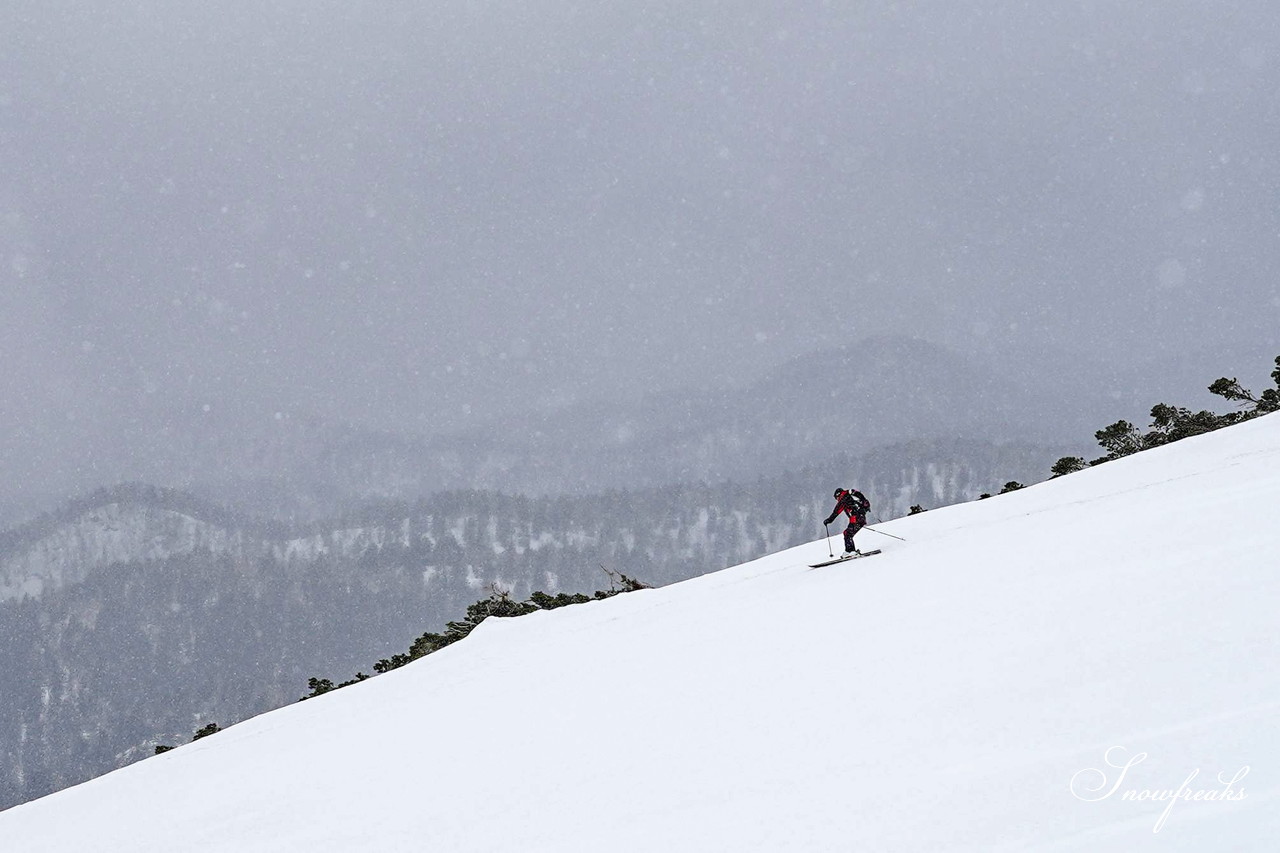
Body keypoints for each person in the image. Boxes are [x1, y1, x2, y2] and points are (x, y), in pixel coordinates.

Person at [824, 487, 871, 555]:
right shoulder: (850, 496)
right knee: (847, 533)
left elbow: (836, 511)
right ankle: (850, 551)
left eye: (836, 498)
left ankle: (851, 552)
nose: (837, 500)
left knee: (847, 534)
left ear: (838, 495)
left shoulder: (844, 498)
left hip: (856, 519)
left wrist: (828, 520)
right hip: (860, 518)